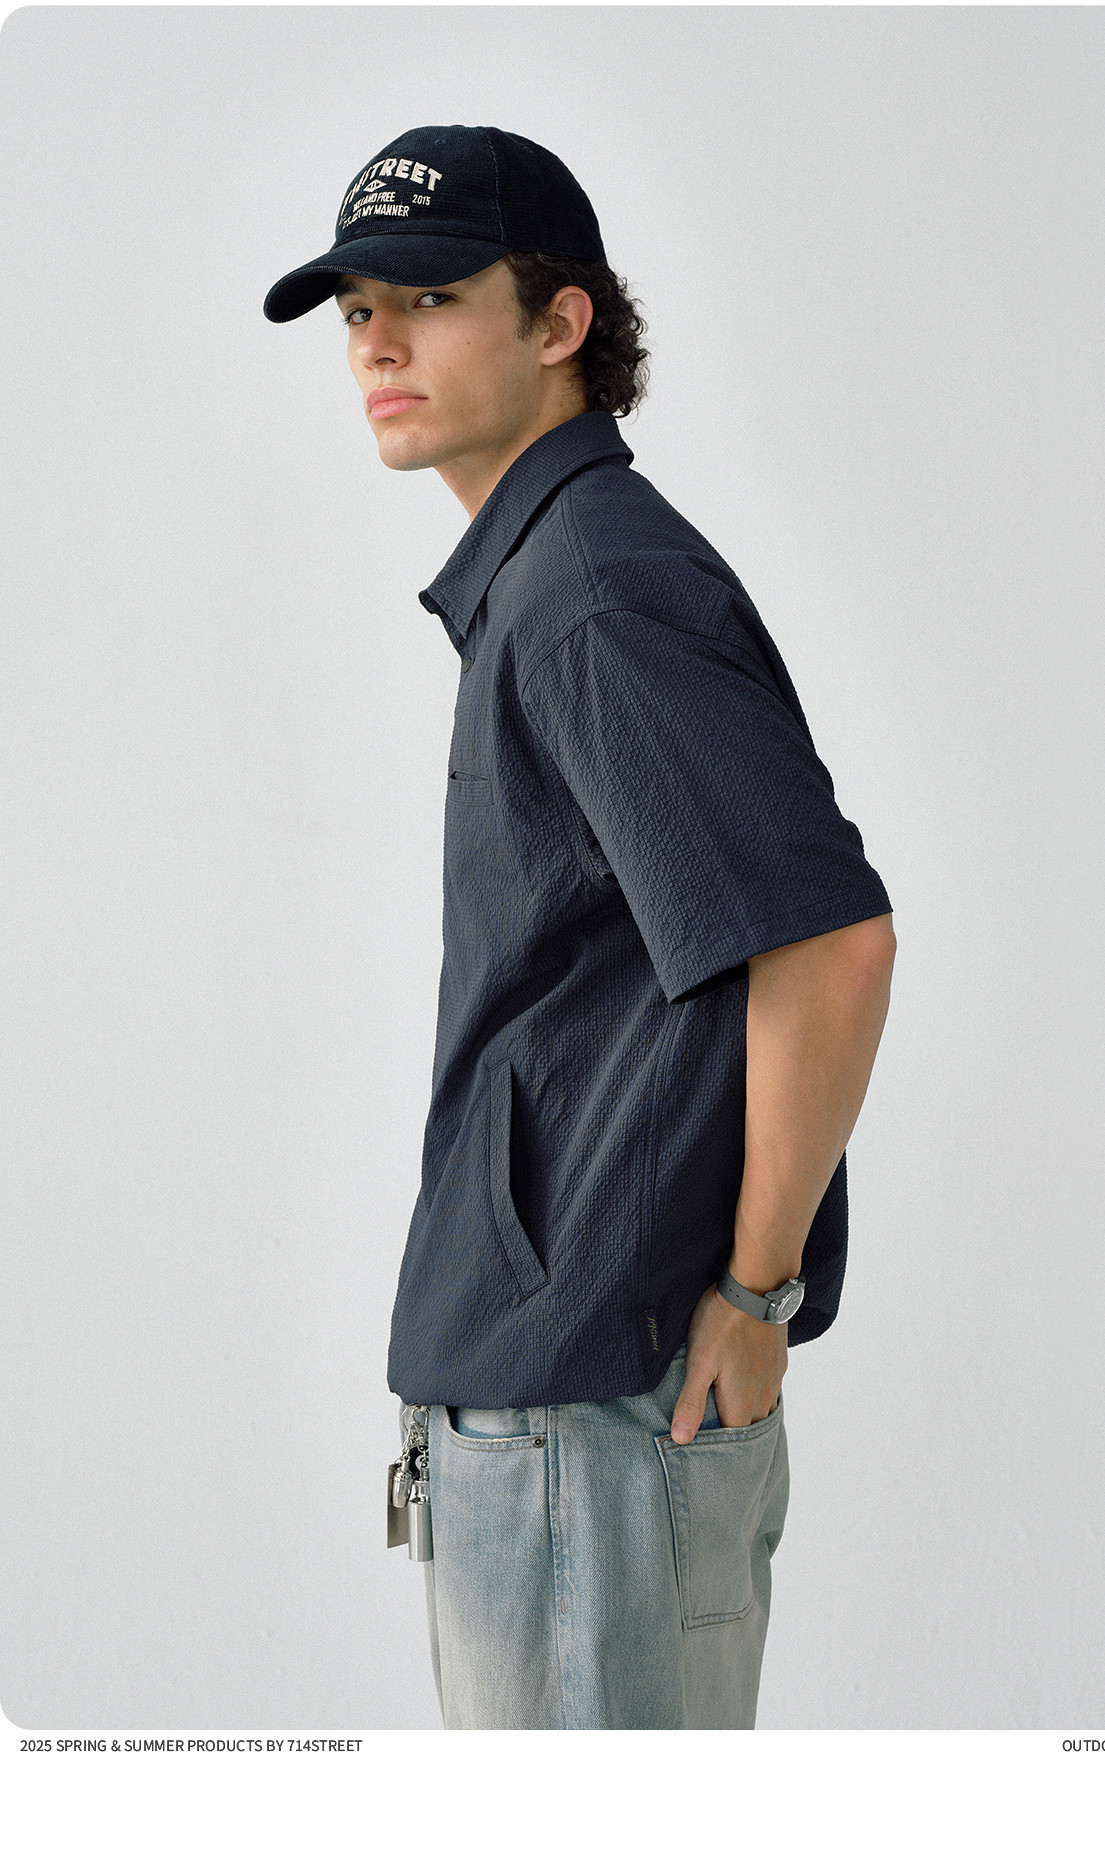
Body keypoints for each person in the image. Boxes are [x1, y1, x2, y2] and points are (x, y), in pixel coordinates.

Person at [264, 122, 896, 1729]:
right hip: (562, 1410)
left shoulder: (594, 594)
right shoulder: (553, 576)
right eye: (356, 309)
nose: (378, 343)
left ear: (562, 323)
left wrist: (756, 1297)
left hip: (592, 1420)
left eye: (429, 297)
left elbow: (829, 946)